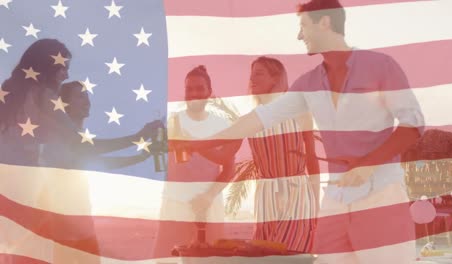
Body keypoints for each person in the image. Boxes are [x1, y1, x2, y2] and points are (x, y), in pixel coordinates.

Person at [177, 0, 425, 263]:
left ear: (325, 23)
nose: (299, 35)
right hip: (337, 200)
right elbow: (260, 118)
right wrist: (198, 144)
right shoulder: (308, 84)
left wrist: (367, 164)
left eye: (304, 26)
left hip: (380, 195)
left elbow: (413, 124)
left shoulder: (380, 66)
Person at [0, 39, 160, 263]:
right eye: (62, 68)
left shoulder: (10, 95)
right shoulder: (43, 96)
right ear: (47, 67)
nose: (65, 75)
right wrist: (136, 138)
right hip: (31, 197)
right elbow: (81, 146)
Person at [154, 65, 240, 258]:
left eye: (200, 88)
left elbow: (229, 168)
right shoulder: (171, 122)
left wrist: (208, 196)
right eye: (189, 89)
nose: (194, 93)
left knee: (210, 260)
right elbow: (157, 162)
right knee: (168, 260)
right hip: (175, 205)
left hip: (209, 206)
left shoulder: (221, 125)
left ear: (209, 92)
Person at [247, 56, 319, 252]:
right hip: (265, 199)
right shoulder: (253, 118)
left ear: (275, 78)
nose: (252, 79)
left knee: (290, 254)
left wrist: (316, 204)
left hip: (296, 194)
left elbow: (311, 158)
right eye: (251, 74)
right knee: (264, 255)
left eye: (259, 73)